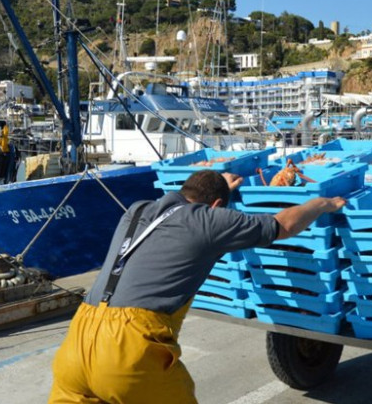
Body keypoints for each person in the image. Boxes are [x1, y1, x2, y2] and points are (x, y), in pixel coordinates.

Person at [49, 170, 346, 403]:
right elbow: (285, 226)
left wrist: (219, 191)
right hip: (127, 351)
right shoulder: (208, 221)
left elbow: (184, 211)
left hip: (76, 344)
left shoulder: (137, 210)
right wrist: (322, 204)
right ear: (216, 207)